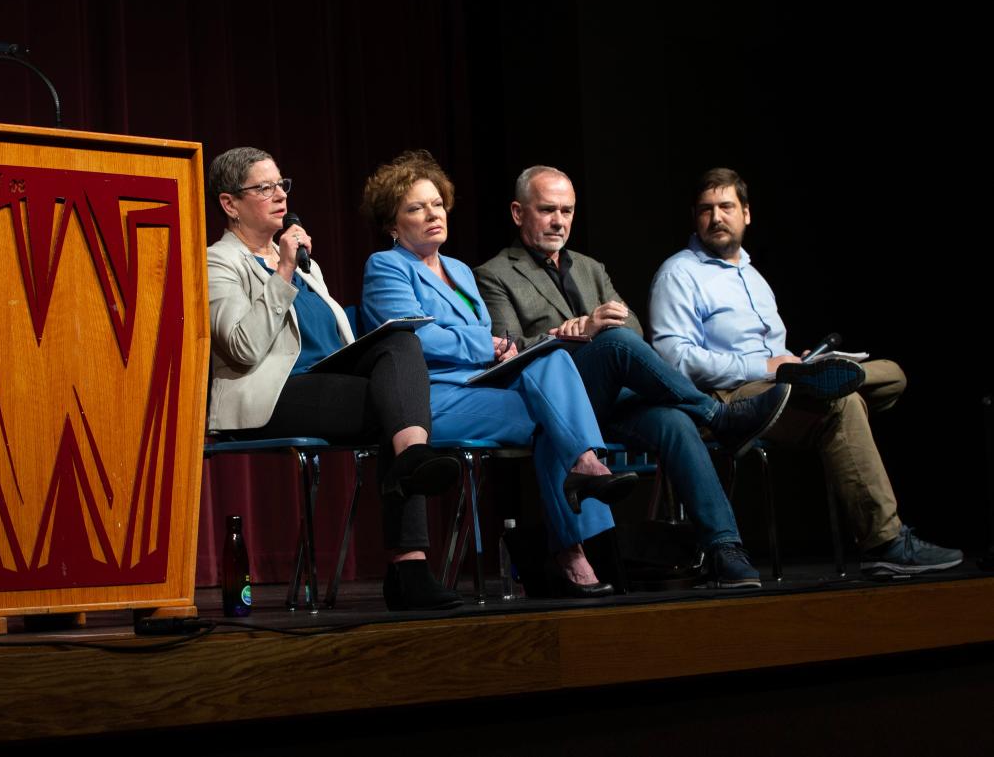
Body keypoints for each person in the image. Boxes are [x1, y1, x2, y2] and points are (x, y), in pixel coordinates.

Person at [475, 165, 792, 588]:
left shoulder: (591, 268)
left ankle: (723, 548)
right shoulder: (495, 273)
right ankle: (718, 417)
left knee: (675, 422)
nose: (559, 221)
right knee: (612, 344)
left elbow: (636, 331)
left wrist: (603, 329)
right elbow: (508, 352)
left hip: (611, 398)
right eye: (548, 210)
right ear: (518, 213)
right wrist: (570, 332)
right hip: (553, 404)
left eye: (567, 211)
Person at [648, 167, 962, 576]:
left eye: (726, 206)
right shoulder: (679, 273)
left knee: (893, 374)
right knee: (843, 404)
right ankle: (884, 542)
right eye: (706, 209)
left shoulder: (754, 278)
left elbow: (772, 352)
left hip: (779, 381)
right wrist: (766, 365)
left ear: (746, 214)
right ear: (695, 217)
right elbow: (675, 361)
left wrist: (792, 361)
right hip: (728, 400)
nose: (716, 217)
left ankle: (822, 375)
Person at [361, 150, 640, 598]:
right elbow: (410, 341)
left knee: (552, 359)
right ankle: (577, 549)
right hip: (432, 399)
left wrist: (503, 348)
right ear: (393, 224)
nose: (432, 214)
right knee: (556, 424)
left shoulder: (458, 271)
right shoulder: (387, 267)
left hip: (478, 383)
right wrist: (484, 345)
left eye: (437, 204)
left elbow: (484, 333)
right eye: (416, 207)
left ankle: (586, 468)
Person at [207, 146, 463, 611]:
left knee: (401, 341)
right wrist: (283, 270)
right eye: (263, 188)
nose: (279, 196)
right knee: (395, 411)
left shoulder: (308, 263)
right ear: (230, 204)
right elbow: (242, 347)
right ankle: (410, 568)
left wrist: (293, 265)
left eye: (282, 185)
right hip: (273, 394)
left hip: (328, 378)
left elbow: (336, 338)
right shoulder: (218, 263)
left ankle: (412, 462)